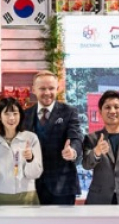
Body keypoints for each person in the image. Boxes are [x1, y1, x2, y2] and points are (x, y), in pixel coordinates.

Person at [24, 71, 83, 205]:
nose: (47, 92)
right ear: (33, 89)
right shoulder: (25, 115)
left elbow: (76, 137)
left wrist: (72, 151)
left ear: (57, 89)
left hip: (62, 186)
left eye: (51, 88)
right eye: (42, 88)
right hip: (32, 186)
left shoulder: (69, 112)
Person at [0, 97, 43, 205]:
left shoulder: (31, 138)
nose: (12, 117)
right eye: (7, 114)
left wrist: (30, 159)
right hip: (2, 198)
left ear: (20, 115)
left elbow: (35, 174)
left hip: (28, 197)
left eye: (15, 113)